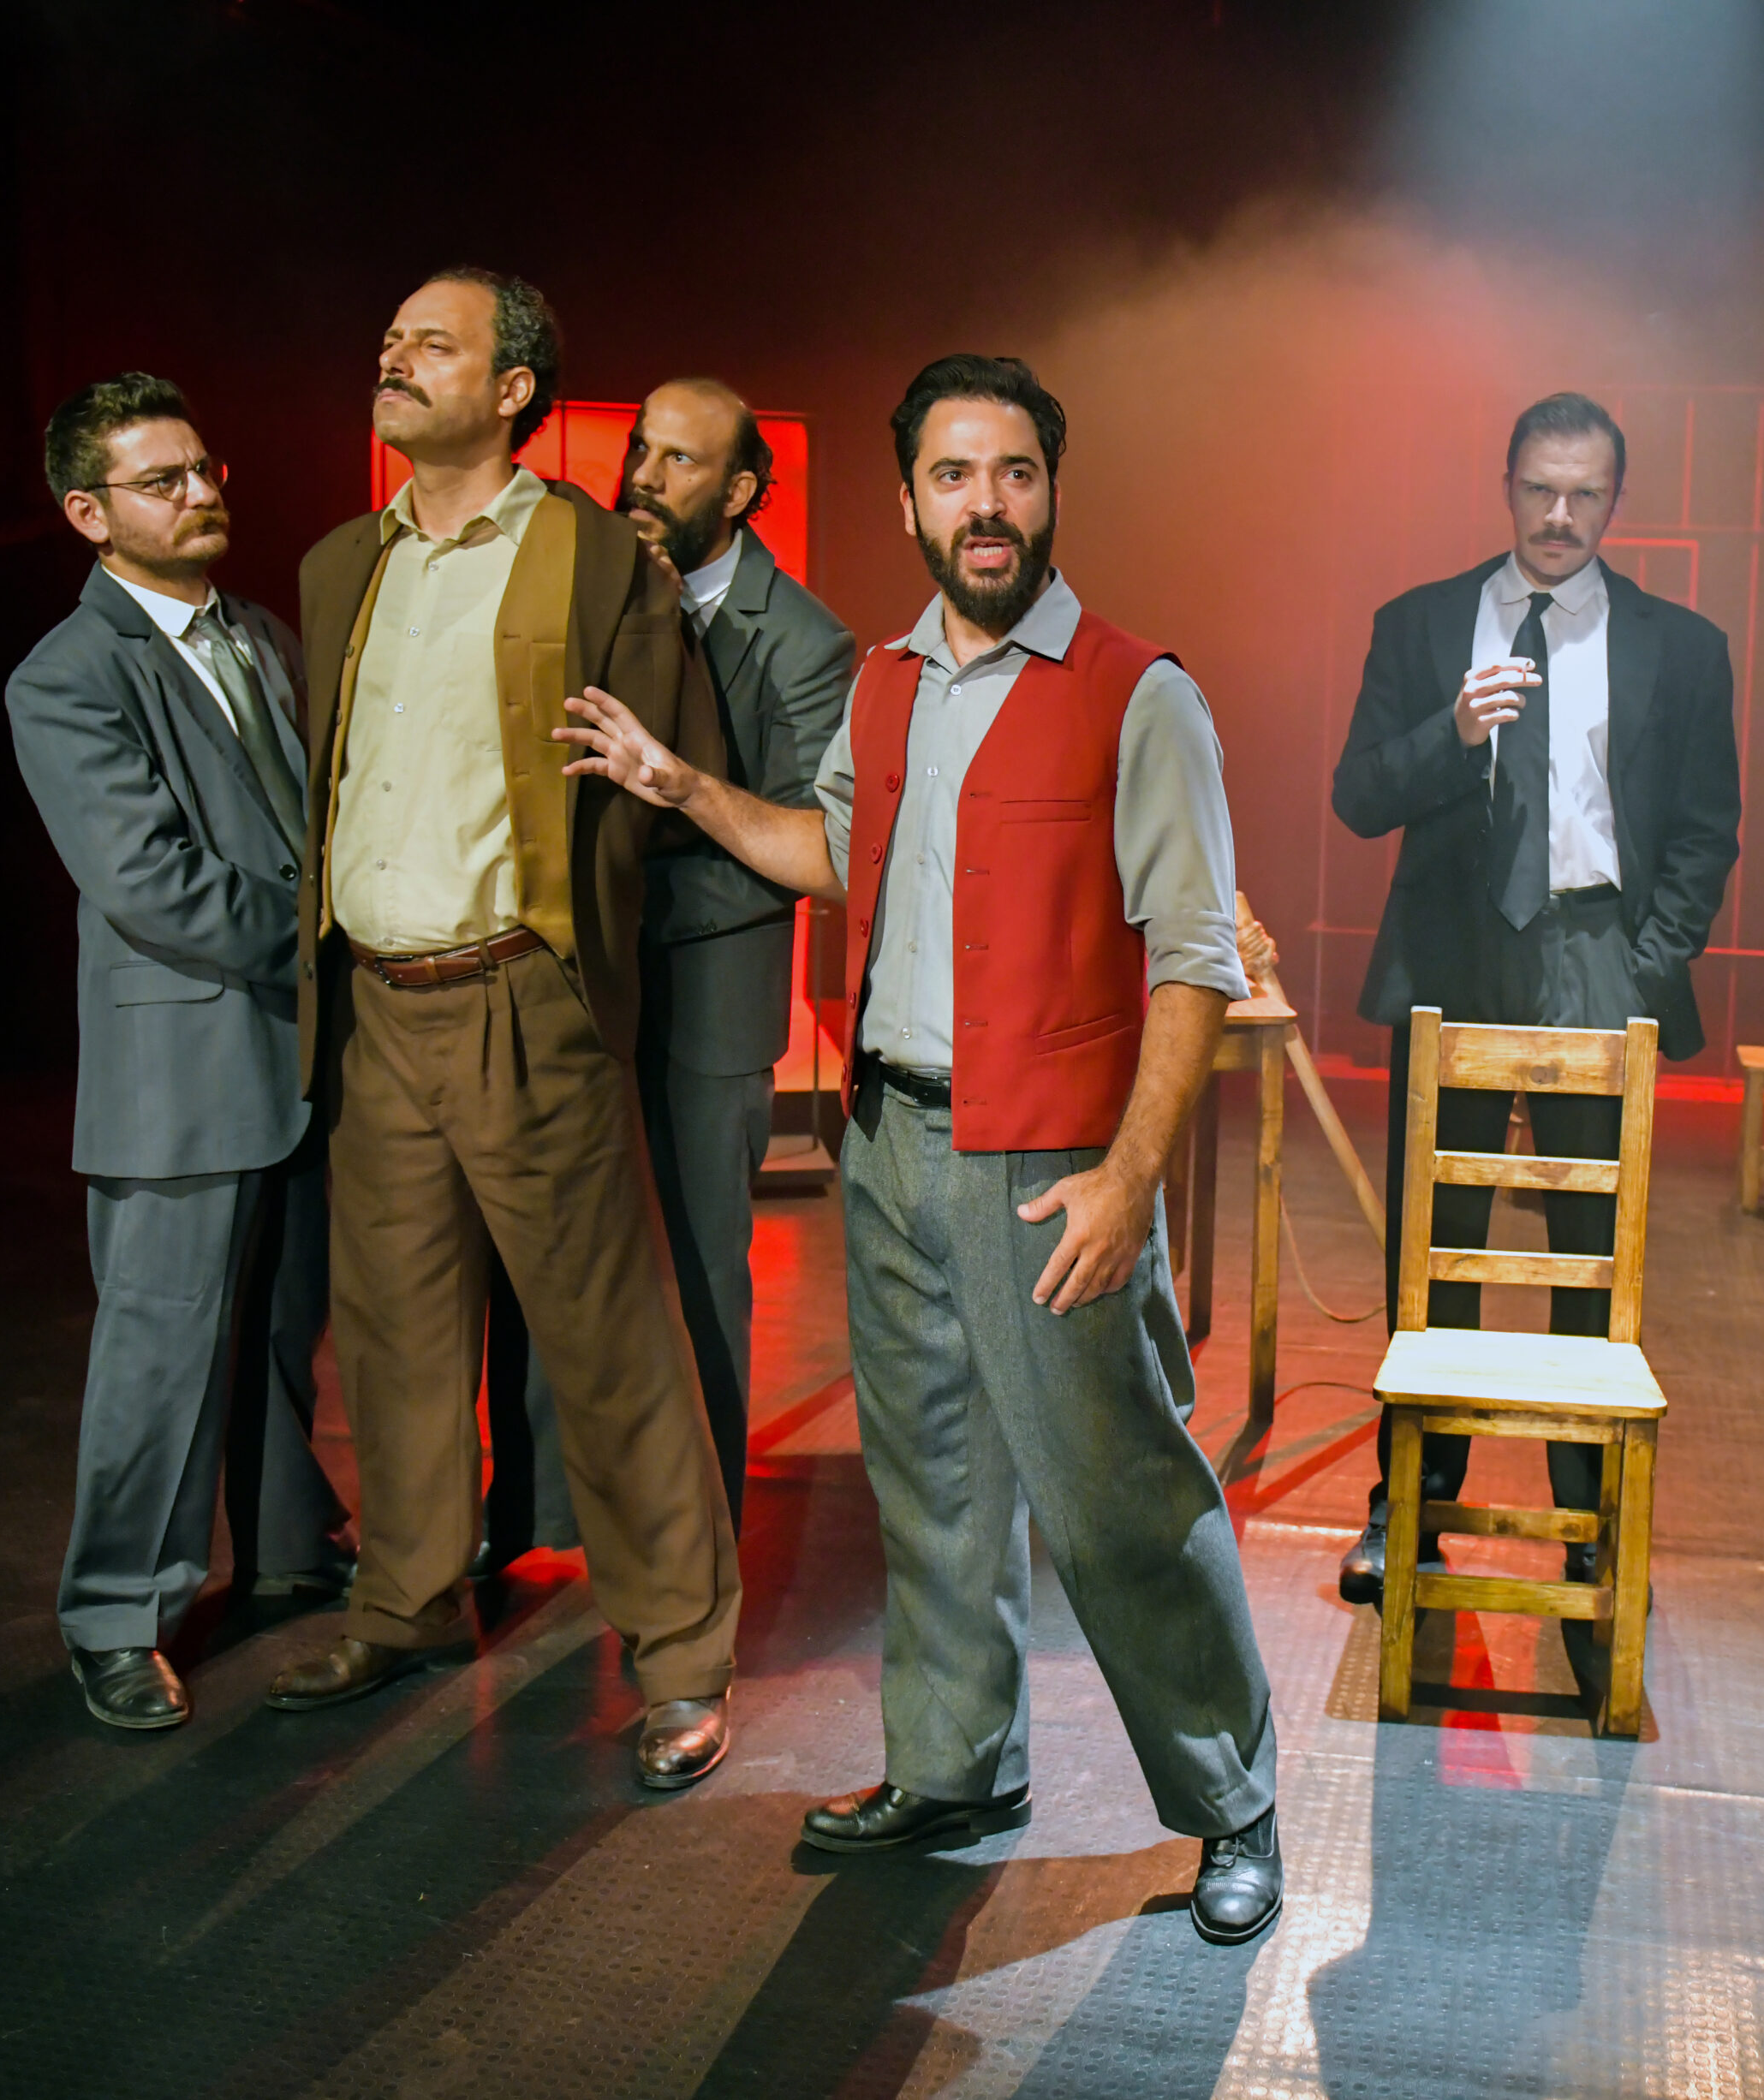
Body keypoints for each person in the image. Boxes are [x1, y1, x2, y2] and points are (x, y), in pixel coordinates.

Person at [559, 354, 1284, 1947]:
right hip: (888, 1137)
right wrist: (679, 785)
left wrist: (1130, 1177)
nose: (986, 504)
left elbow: (1192, 957)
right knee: (936, 1483)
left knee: (1117, 1498)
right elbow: (832, 849)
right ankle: (957, 1769)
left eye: (1015, 471)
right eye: (954, 475)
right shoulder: (886, 682)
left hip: (1049, 1165)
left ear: (1052, 491)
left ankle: (1235, 1803)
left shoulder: (1138, 691)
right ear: (908, 503)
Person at [266, 271, 740, 1794]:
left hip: (523, 997)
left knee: (606, 1341)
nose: (394, 359)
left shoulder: (597, 557)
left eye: (433, 344)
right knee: (394, 1333)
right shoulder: (345, 563)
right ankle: (406, 1602)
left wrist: (569, 944)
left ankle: (681, 1654)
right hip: (374, 1005)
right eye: (388, 340)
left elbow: (665, 779)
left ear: (515, 386)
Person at [1329, 391, 1741, 1604]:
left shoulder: (1683, 647)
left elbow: (1706, 831)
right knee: (1433, 1254)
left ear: (1617, 499)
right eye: (1539, 490)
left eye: (1584, 494)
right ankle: (1409, 1510)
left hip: (1602, 952)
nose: (1560, 516)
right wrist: (1452, 733)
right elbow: (1358, 795)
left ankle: (1590, 1523)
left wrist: (1649, 964)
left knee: (1592, 1259)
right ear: (1505, 485)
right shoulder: (1419, 624)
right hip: (1453, 959)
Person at [7, 372, 351, 1732]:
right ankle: (115, 1616)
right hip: (183, 1072)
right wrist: (332, 940)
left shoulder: (258, 632)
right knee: (160, 1352)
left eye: (207, 470)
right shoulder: (65, 675)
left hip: (298, 1056)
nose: (203, 493)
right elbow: (152, 883)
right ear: (89, 513)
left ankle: (285, 1546)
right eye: (165, 481)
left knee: (278, 1325)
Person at [474, 379, 854, 1562]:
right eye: (641, 450)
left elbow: (809, 850)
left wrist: (636, 886)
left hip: (707, 1001)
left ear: (740, 492)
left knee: (694, 1271)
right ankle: (532, 1515)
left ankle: (698, 1538)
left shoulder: (806, 641)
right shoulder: (581, 598)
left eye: (679, 461)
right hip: (573, 983)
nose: (642, 476)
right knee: (546, 1253)